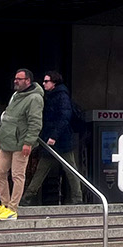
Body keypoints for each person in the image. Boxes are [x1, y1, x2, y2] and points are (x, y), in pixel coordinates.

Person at [0, 69, 43, 217]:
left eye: (19, 79)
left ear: (28, 81)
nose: (16, 81)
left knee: (17, 175)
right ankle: (5, 205)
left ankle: (13, 209)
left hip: (21, 142)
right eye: (15, 78)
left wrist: (28, 142)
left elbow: (35, 122)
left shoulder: (35, 98)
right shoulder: (16, 95)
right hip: (7, 141)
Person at [35, 72, 78, 205]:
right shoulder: (51, 96)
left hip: (60, 140)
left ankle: (77, 198)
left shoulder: (61, 96)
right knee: (41, 171)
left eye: (46, 81)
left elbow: (64, 117)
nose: (44, 83)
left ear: (54, 83)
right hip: (53, 140)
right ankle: (26, 198)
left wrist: (54, 136)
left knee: (70, 170)